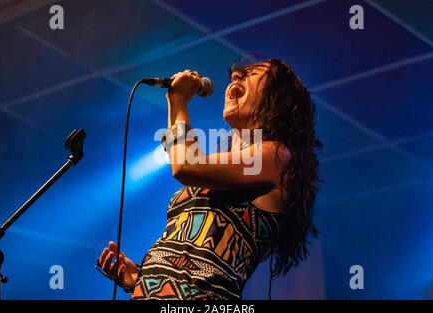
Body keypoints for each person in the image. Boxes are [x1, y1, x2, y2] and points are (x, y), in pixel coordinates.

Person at [97, 58, 322, 300]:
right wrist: (140, 279)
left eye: (251, 74)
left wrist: (178, 100)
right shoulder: (220, 165)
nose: (235, 77)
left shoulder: (277, 156)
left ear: (278, 100)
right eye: (236, 74)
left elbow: (185, 166)